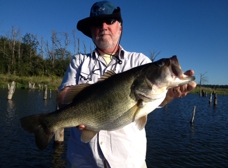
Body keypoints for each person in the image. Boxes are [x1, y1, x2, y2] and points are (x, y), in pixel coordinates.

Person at [58, 1, 196, 168]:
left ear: (120, 28)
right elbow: (63, 98)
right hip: (83, 162)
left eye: (109, 21)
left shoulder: (139, 61)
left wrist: (171, 94)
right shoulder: (79, 61)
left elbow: (157, 97)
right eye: (97, 23)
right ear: (91, 31)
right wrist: (75, 112)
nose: (103, 26)